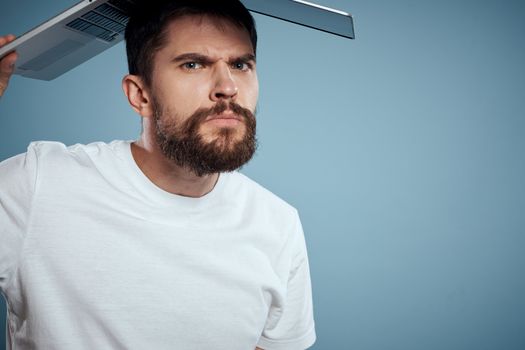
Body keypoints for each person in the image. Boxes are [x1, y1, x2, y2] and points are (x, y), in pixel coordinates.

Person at [0, 1, 316, 349]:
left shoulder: (278, 224)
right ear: (140, 95)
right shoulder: (38, 185)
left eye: (241, 64)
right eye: (193, 64)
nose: (227, 87)